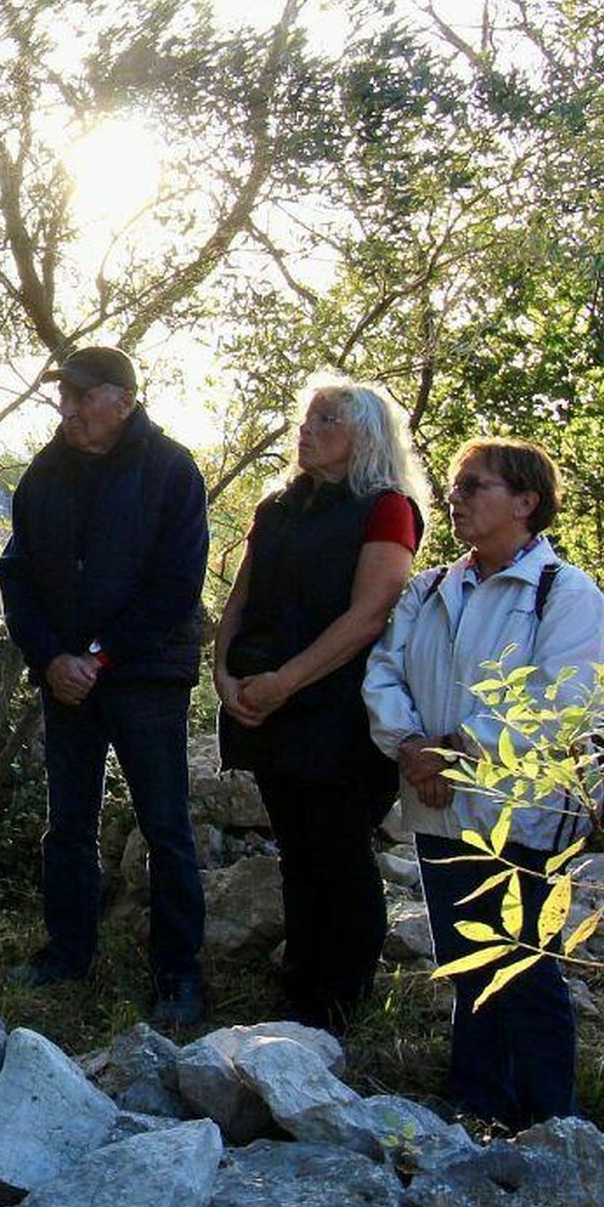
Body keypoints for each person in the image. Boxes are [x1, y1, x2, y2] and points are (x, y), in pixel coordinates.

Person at [364, 438, 604, 1128]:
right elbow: (384, 672)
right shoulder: (429, 587)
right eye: (455, 486)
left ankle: (552, 1127)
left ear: (527, 503)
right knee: (463, 960)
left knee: (524, 967)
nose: (458, 497)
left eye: (475, 485)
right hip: (438, 807)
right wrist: (411, 745)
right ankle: (476, 1106)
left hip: (524, 812)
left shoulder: (565, 595)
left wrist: (453, 751)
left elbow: (559, 701)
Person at [0, 345, 210, 1025]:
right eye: (64, 396)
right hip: (66, 680)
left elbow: (178, 585)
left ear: (123, 398)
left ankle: (178, 976)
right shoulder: (44, 473)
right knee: (68, 824)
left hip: (145, 675)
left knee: (165, 826)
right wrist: (53, 658)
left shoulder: (171, 469)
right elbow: (17, 574)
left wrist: (98, 655)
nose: (68, 410)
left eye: (82, 397)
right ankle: (67, 953)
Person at [213, 379, 429, 1031]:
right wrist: (224, 674)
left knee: (339, 851)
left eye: (325, 418)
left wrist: (286, 681)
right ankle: (299, 992)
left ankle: (343, 1003)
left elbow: (370, 615)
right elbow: (240, 601)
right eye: (305, 416)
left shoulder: (385, 507)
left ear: (364, 435)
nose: (306, 429)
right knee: (297, 851)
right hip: (264, 704)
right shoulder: (278, 504)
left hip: (339, 710)